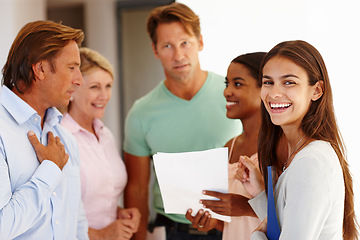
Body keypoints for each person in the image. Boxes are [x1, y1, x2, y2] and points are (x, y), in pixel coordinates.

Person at [123, 2, 242, 240]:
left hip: (233, 228)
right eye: (167, 46)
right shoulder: (141, 112)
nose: (178, 55)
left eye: (185, 43)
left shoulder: (235, 96)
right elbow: (137, 188)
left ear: (200, 41)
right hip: (172, 232)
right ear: (155, 50)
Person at [237, 40, 359, 239]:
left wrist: (257, 235)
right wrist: (261, 196)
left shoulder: (310, 163)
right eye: (268, 82)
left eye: (289, 82)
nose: (274, 93)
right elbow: (288, 225)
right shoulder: (300, 155)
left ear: (317, 90)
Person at [0, 20, 89, 239]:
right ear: (40, 69)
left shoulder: (65, 138)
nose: (79, 80)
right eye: (72, 68)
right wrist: (50, 169)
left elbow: (77, 223)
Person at [61, 47, 141, 240]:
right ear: (72, 89)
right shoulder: (61, 138)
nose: (104, 96)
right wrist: (101, 234)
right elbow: (55, 214)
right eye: (95, 87)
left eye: (108, 86)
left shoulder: (106, 135)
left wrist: (118, 212)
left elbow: (98, 198)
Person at [186, 52, 266, 240]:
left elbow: (292, 215)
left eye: (237, 84)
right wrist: (214, 222)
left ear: (264, 89)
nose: (227, 92)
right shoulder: (229, 146)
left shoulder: (279, 146)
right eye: (227, 83)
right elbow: (236, 222)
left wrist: (247, 206)